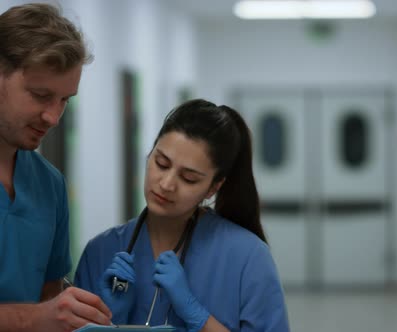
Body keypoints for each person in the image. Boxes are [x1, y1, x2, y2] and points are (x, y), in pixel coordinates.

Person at [75, 99, 290, 331]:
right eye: (161, 163)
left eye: (189, 178)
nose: (167, 184)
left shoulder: (248, 258)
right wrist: (110, 317)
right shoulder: (101, 252)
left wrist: (195, 313)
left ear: (213, 188)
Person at [0, 3, 113, 331]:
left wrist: (77, 312)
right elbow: (40, 317)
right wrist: (34, 318)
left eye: (65, 100)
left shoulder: (49, 185)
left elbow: (49, 296)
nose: (53, 117)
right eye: (40, 95)